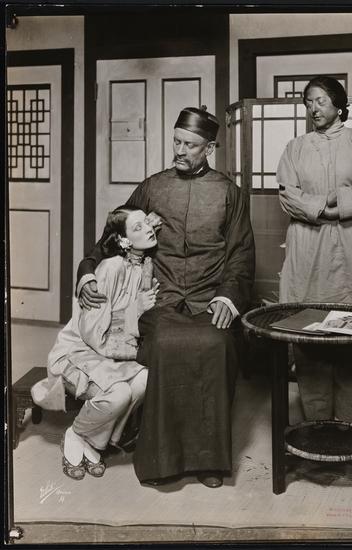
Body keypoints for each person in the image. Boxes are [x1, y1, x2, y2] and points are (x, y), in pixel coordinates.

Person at [76, 106, 255, 488]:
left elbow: (241, 253)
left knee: (216, 344)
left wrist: (227, 298)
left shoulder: (228, 192)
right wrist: (88, 270)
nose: (180, 151)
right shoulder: (153, 187)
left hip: (210, 296)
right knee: (163, 343)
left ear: (209, 148)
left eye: (190, 145)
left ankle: (209, 462)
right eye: (176, 142)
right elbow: (115, 232)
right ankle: (162, 461)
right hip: (161, 296)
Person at [277, 76, 352, 425]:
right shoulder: (295, 147)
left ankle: (350, 426)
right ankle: (317, 426)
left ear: (339, 105)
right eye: (308, 102)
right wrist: (326, 207)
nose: (313, 108)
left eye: (320, 101)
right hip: (308, 248)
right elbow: (287, 195)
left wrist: (333, 205)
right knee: (308, 332)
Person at [31, 206, 159, 480]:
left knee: (145, 380)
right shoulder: (110, 268)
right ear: (124, 240)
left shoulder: (143, 267)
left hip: (111, 353)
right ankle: (75, 434)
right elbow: (93, 334)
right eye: (137, 227)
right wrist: (136, 310)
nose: (148, 229)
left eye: (147, 223)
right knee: (119, 394)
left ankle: (96, 441)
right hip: (80, 350)